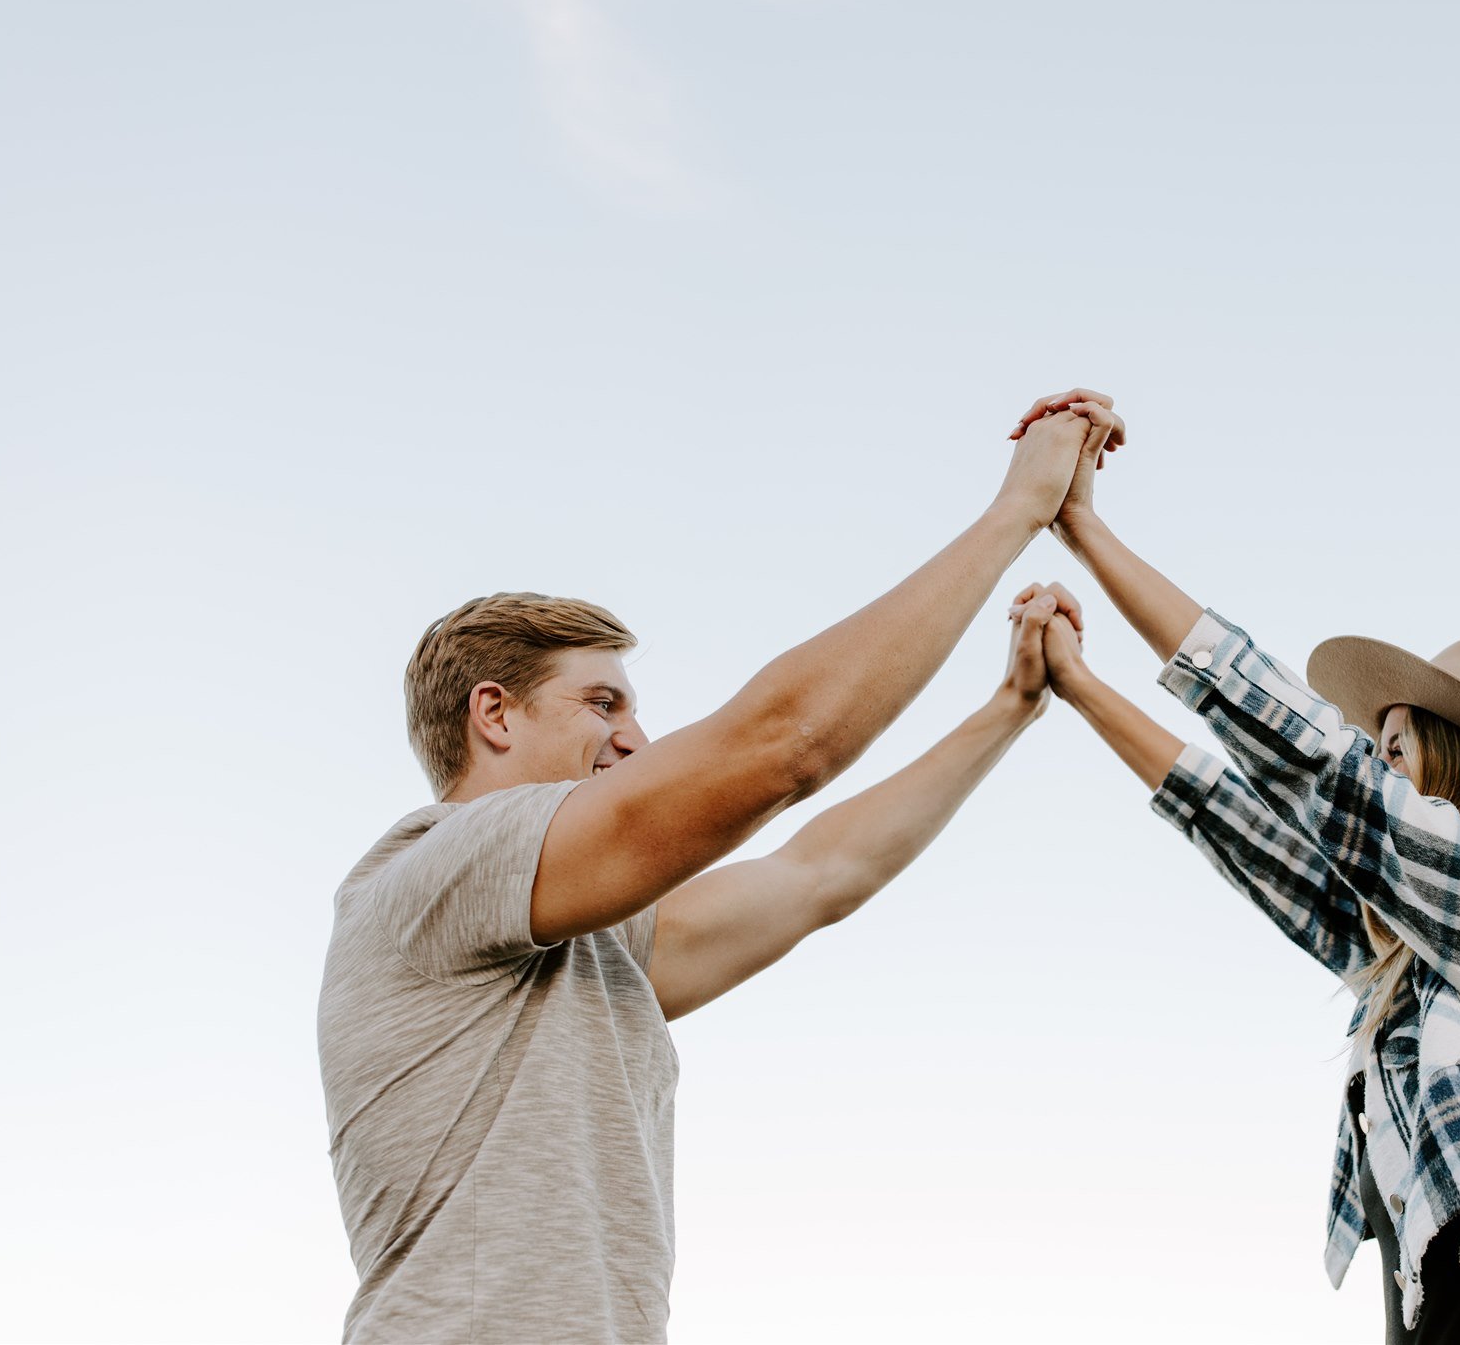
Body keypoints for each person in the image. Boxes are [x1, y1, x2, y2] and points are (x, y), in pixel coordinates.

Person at [316, 404, 1119, 1343]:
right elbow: (786, 746)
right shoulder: (438, 865)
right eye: (601, 701)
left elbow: (822, 872)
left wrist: (1010, 708)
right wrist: (1015, 512)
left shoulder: (592, 949)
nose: (635, 736)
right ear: (494, 714)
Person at [1009, 389, 1460, 1345]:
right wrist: (1082, 688)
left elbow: (1323, 777)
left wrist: (1085, 530)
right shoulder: (1424, 964)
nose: (1377, 755)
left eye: (1398, 739)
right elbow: (1250, 830)